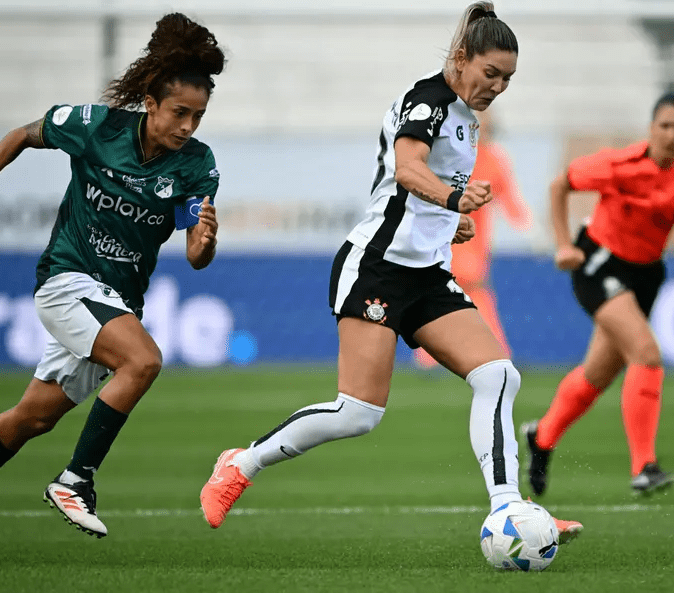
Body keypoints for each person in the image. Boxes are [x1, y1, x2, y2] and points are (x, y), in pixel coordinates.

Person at [198, 2, 583, 542]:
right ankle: (241, 464)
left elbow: (415, 196)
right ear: (462, 58)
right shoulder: (429, 100)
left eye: (507, 79)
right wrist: (454, 200)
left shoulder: (466, 118)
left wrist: (448, 223)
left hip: (426, 274)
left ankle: (509, 510)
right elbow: (406, 170)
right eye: (491, 73)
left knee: (499, 375)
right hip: (375, 269)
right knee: (358, 413)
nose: (498, 87)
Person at [0, 13, 224, 562]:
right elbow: (21, 135)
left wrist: (204, 239)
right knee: (144, 361)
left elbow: (196, 256)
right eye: (179, 112)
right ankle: (75, 480)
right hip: (66, 279)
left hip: (116, 302)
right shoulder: (96, 127)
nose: (187, 126)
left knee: (33, 417)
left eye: (197, 116)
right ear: (150, 103)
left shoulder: (197, 165)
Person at [521, 91, 674, 497]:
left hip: (646, 274)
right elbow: (560, 184)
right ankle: (644, 467)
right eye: (664, 125)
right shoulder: (619, 164)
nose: (671, 134)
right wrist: (563, 244)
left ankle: (541, 437)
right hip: (600, 262)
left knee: (596, 376)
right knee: (646, 353)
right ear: (651, 128)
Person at [414, 113, 531, 368]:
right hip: (448, 236)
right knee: (466, 290)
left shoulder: (491, 159)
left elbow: (508, 199)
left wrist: (525, 226)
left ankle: (431, 354)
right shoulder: (454, 157)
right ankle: (491, 351)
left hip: (473, 241)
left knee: (462, 290)